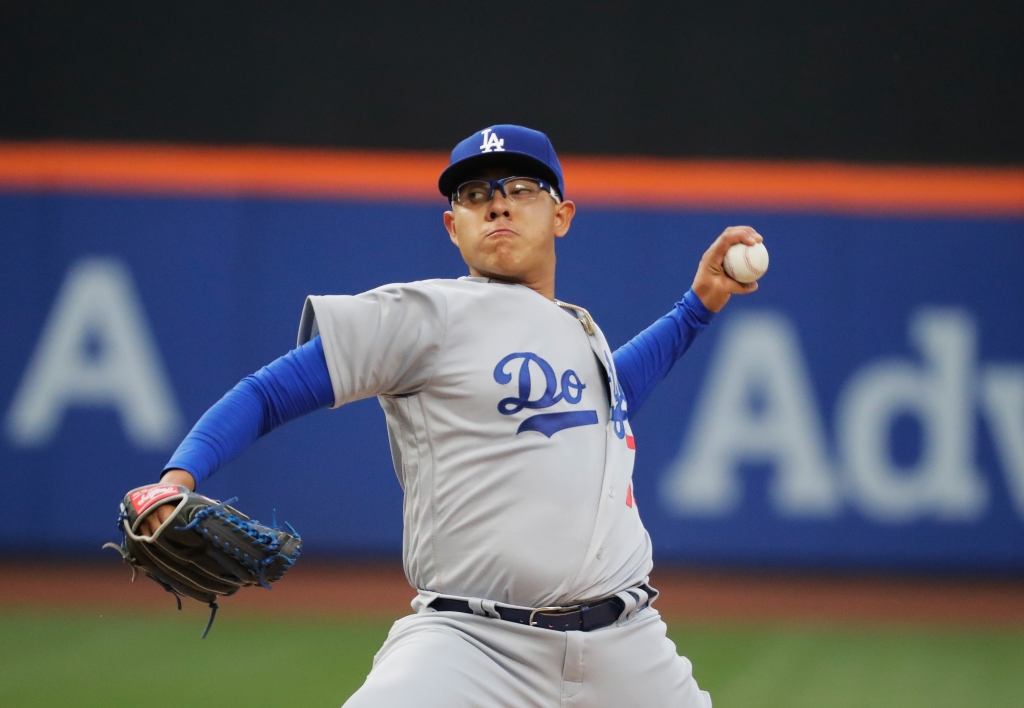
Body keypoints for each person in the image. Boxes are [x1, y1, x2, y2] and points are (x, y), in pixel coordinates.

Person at [144, 125, 760, 707]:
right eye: (475, 195)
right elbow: (268, 392)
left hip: (629, 646)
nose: (497, 205)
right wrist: (177, 480)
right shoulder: (425, 314)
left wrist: (699, 304)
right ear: (452, 226)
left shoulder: (578, 331)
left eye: (521, 189)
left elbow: (613, 392)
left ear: (562, 216)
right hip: (471, 646)